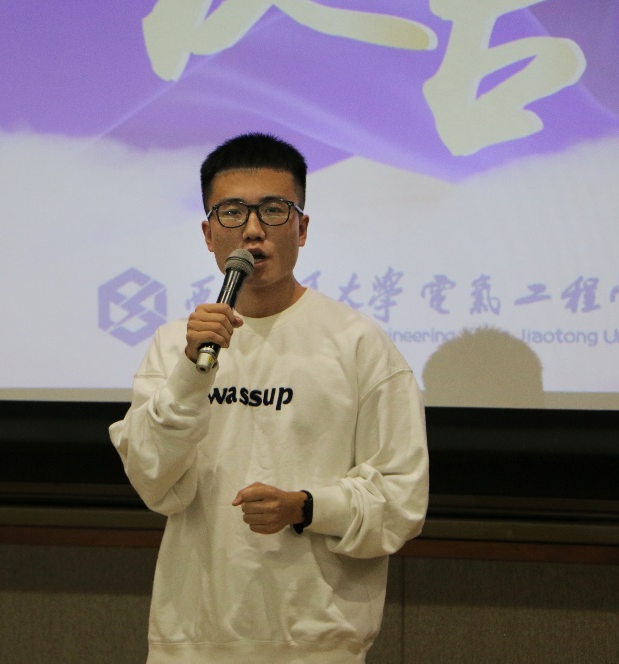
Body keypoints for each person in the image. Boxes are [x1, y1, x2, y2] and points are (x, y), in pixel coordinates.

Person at [109, 133, 429, 663]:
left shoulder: (358, 343)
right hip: (193, 640)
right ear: (208, 233)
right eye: (233, 213)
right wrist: (190, 373)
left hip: (316, 643)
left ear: (301, 228)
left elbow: (402, 500)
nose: (253, 230)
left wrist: (307, 506)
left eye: (274, 211)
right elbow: (153, 480)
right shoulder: (175, 345)